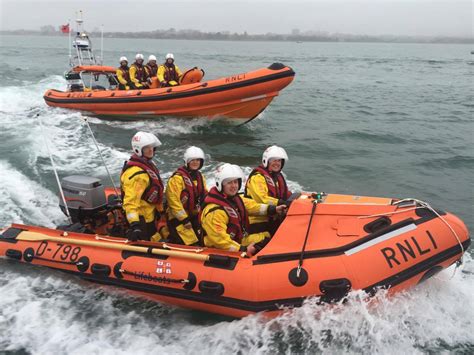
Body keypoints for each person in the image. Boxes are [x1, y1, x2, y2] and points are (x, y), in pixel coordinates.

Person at [200, 163, 287, 256]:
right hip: (222, 248)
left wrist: (273, 209)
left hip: (237, 238)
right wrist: (243, 249)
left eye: (235, 182)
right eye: (229, 183)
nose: (234, 186)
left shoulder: (234, 198)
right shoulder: (215, 212)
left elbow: (252, 206)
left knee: (268, 234)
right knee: (265, 241)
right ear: (220, 184)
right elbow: (220, 240)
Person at [121, 132, 164, 241]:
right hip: (142, 220)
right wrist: (135, 225)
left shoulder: (148, 166)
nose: (150, 150)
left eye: (152, 147)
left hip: (150, 215)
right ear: (138, 149)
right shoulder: (137, 175)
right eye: (146, 148)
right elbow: (130, 202)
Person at [245, 145, 292, 235]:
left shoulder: (276, 177)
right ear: (267, 161)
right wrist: (280, 203)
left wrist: (296, 200)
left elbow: (285, 194)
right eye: (274, 160)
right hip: (256, 220)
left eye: (279, 161)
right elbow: (262, 199)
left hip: (273, 215)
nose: (277, 163)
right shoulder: (257, 177)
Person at [166, 146, 208, 246]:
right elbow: (173, 202)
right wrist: (184, 220)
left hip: (193, 216)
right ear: (187, 161)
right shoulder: (177, 179)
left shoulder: (200, 177)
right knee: (192, 243)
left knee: (203, 240)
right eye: (192, 160)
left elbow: (205, 194)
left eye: (198, 160)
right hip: (178, 219)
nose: (195, 162)